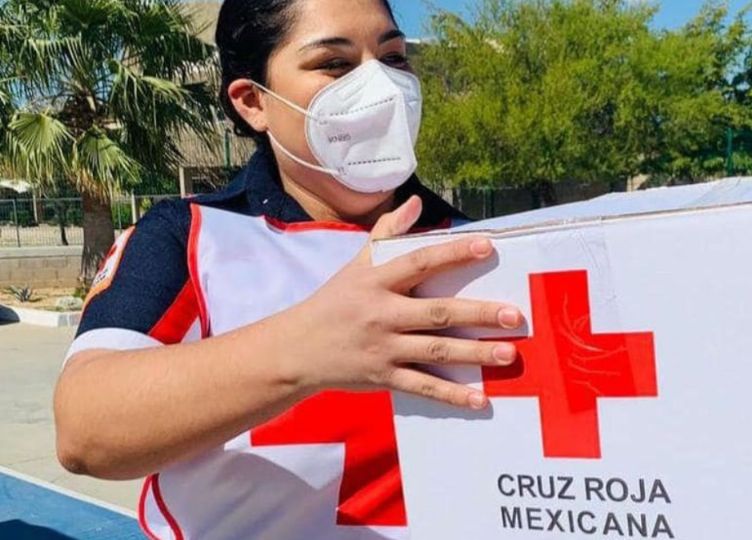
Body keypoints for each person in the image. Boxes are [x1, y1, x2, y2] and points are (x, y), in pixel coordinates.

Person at [53, 0, 523, 538]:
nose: (383, 86)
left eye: (393, 57)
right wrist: (309, 346)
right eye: (335, 64)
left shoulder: (479, 248)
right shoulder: (190, 235)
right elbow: (85, 431)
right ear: (253, 101)